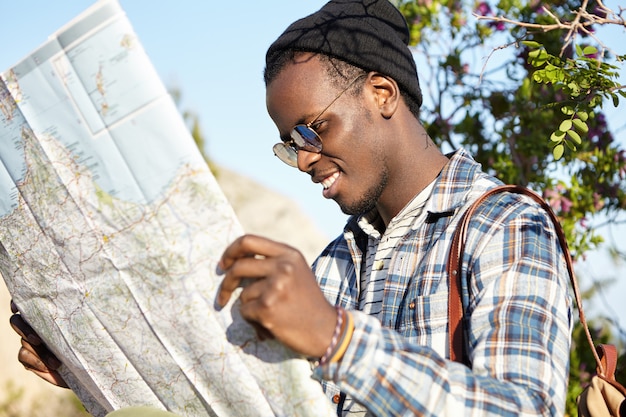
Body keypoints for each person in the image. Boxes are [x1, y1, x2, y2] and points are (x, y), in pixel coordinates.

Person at [10, 0, 572, 416]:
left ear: (381, 94)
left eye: (312, 129)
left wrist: (337, 338)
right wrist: (91, 359)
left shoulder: (506, 225)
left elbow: (525, 409)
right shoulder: (333, 265)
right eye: (290, 143)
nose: (304, 160)